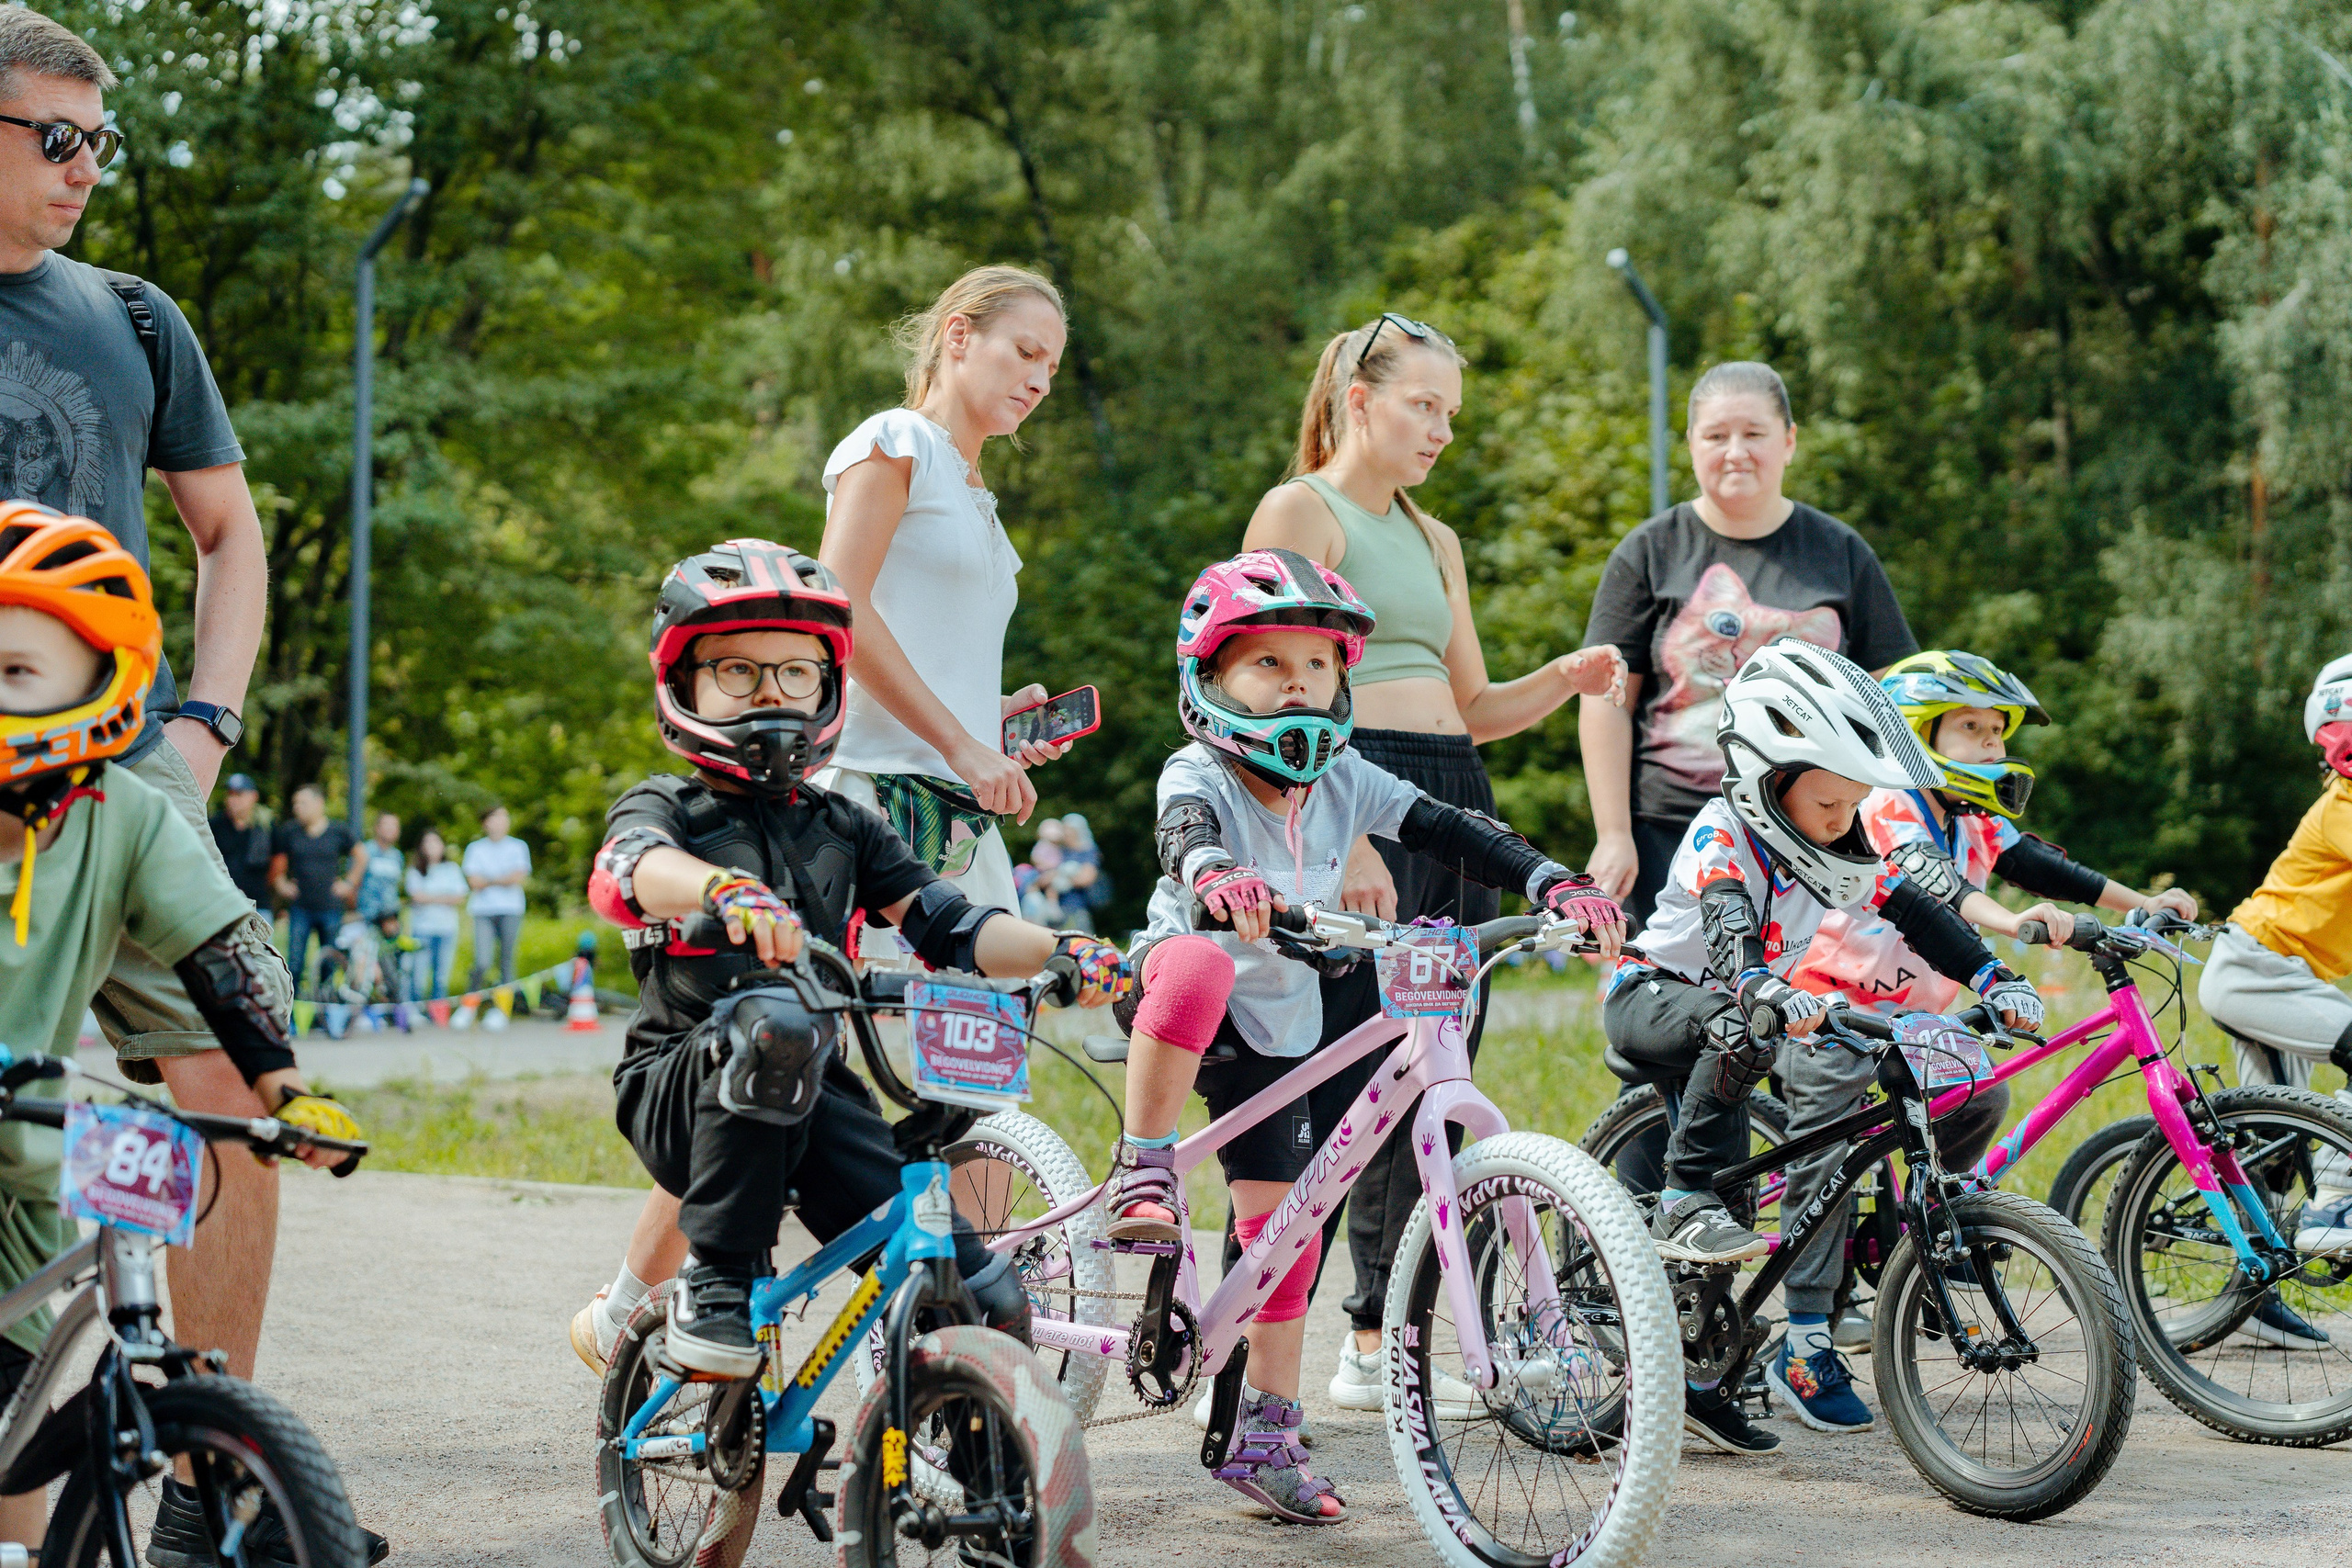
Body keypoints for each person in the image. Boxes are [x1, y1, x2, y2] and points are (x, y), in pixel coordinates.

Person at [1104, 549, 1625, 1524]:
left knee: (1288, 1230)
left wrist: (1555, 880)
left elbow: (1452, 828)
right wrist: (1215, 876)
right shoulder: (1200, 769)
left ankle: (1265, 1428)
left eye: (1316, 664)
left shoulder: (1341, 776)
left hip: (1297, 1009)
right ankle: (1144, 1161)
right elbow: (1183, 833)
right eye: (1266, 664)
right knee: (1202, 962)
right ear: (1209, 679)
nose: (1296, 682)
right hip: (1201, 1010)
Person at [569, 539, 1126, 1376]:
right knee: (776, 1017)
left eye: (796, 673)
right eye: (738, 672)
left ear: (829, 686)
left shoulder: (845, 827)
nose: (771, 694)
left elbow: (951, 922)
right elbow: (626, 872)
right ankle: (715, 1284)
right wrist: (720, 890)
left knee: (979, 1292)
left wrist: (1067, 951)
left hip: (819, 1101)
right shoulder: (667, 806)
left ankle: (972, 1474)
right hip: (682, 1087)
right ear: (684, 683)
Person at [1239, 311, 1628, 1408]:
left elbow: (1473, 706)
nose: (1440, 430)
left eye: (1450, 413)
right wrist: (1338, 828)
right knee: (1355, 1068)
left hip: (1448, 793)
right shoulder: (1300, 511)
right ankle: (1333, 1344)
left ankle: (1381, 1339)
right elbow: (1263, 678)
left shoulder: (1435, 536)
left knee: (1435, 1072)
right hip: (1345, 787)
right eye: (1423, 405)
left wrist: (1561, 679)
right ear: (1358, 400)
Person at [0, 10, 301, 1407]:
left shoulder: (132, 315)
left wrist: (205, 720)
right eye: (55, 138)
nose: (85, 169)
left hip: (123, 773)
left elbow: (230, 533)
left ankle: (213, 1461)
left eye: (97, 142)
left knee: (238, 1081)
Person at [0, 504, 373, 1559]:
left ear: (101, 678)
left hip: (20, 1142)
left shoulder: (122, 812)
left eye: (22, 671)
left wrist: (281, 1090)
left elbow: (214, 951)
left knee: (16, 1427)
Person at [1601, 637, 2043, 1456]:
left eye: (1852, 806)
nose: (1846, 823)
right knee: (1741, 1038)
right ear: (1772, 783)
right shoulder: (1722, 834)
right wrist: (1767, 989)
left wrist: (1993, 975)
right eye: (1831, 805)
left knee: (1741, 1217)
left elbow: (1916, 909)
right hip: (1652, 1000)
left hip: (1742, 1022)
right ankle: (1680, 1195)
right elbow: (1731, 934)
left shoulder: (1832, 849)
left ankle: (1698, 1375)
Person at [1774, 649, 2201, 1428]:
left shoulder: (1972, 816)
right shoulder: (1888, 803)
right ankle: (1804, 1339)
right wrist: (2011, 927)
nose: (1992, 746)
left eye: (1996, 732)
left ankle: (1918, 1231)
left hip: (1912, 1017)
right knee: (1822, 1155)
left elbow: (2042, 863)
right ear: (1916, 733)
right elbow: (1929, 883)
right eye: (1970, 729)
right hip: (1825, 1003)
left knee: (1979, 1093)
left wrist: (2145, 901)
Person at [1580, 361, 1919, 925]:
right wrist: (1614, 834)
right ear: (1690, 444)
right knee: (1675, 1000)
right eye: (1716, 436)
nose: (1735, 451)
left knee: (1801, 1006)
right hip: (1671, 828)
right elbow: (1605, 701)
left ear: (1788, 442)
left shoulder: (1841, 552)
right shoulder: (1649, 551)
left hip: (1815, 830)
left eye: (1754, 434)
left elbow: (1893, 697)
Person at [813, 265, 1076, 936]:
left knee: (983, 1030)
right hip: (876, 799)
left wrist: (988, 717)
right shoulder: (896, 441)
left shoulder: (976, 491)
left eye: (1052, 366)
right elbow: (837, 603)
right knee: (887, 1028)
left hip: (958, 810)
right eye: (1025, 352)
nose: (1042, 381)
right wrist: (961, 741)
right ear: (958, 335)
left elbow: (924, 645)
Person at [2199, 654, 2352, 1269]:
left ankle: (2251, 1294)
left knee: (2281, 1148)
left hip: (2281, 976)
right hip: (2255, 971)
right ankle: (2334, 1204)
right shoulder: (2343, 804)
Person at [268, 784, 355, 990]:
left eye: (303, 803)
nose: (297, 808)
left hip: (330, 908)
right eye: (295, 803)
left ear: (319, 803)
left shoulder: (338, 831)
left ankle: (323, 1015)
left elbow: (361, 856)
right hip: (301, 909)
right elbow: (277, 864)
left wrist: (349, 883)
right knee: (295, 964)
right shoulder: (290, 832)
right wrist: (282, 884)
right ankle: (294, 1016)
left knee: (329, 965)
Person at [462, 803, 530, 994]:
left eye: (504, 817)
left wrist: (488, 880)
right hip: (483, 910)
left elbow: (518, 877)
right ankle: (471, 1000)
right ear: (485, 823)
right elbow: (474, 882)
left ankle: (503, 1007)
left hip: (511, 909)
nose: (502, 821)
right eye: (496, 817)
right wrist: (502, 879)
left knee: (507, 960)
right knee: (482, 961)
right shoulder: (475, 848)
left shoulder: (518, 846)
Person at [404, 828, 466, 999]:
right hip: (422, 928)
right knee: (418, 974)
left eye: (435, 842)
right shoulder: (415, 870)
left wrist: (429, 898)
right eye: (427, 842)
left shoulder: (451, 869)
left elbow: (459, 898)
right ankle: (416, 1009)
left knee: (441, 975)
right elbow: (416, 896)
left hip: (446, 929)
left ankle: (437, 1012)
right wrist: (445, 897)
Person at [207, 771, 272, 910]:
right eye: (230, 794)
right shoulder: (214, 825)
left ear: (254, 796)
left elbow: (277, 862)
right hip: (221, 902)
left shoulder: (266, 827)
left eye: (239, 794)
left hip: (258, 903)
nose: (233, 799)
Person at [352, 809, 404, 927]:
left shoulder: (397, 856)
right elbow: (353, 884)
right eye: (387, 824)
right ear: (377, 827)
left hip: (389, 920)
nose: (390, 829)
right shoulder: (365, 851)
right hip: (365, 917)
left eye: (394, 825)